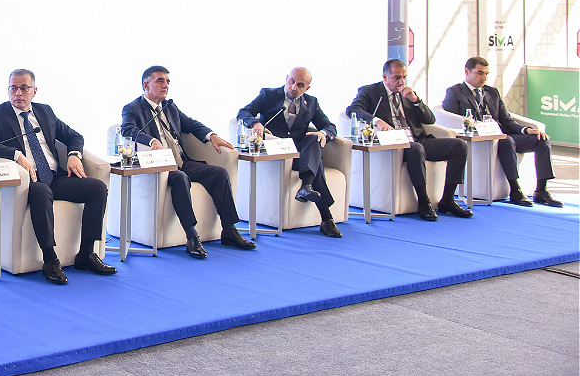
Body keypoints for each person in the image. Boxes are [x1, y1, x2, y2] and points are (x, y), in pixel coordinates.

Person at [0, 69, 117, 284]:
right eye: (13, 88)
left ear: (34, 91)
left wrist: (73, 154)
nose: (18, 93)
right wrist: (16, 155)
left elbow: (74, 136)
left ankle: (86, 254)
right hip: (29, 181)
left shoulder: (45, 112)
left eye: (24, 88)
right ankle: (50, 260)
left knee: (97, 188)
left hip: (54, 176)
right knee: (41, 191)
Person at [121, 66, 256, 258]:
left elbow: (191, 124)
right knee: (180, 178)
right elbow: (127, 129)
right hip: (159, 165)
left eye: (168, 81)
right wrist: (150, 141)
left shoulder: (169, 106)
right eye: (160, 81)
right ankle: (192, 236)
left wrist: (211, 135)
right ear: (146, 85)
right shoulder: (133, 108)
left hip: (180, 160)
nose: (166, 85)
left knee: (219, 173)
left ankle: (229, 229)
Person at [347, 59, 472, 221]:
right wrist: (377, 121)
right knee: (416, 149)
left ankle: (447, 200)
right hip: (395, 142)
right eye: (397, 78)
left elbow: (430, 119)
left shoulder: (407, 93)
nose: (401, 82)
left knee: (459, 146)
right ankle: (424, 201)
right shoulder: (370, 91)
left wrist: (416, 101)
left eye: (404, 77)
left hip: (418, 139)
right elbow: (353, 109)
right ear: (385, 77)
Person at [237, 67, 342, 238]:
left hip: (299, 156)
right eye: (292, 81)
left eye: (300, 85)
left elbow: (330, 126)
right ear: (286, 78)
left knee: (314, 140)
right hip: (275, 154)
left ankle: (307, 187)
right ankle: (324, 215)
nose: (294, 87)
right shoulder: (268, 95)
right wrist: (255, 123)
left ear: (307, 88)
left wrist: (323, 133)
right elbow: (243, 112)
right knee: (316, 164)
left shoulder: (312, 103)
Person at [442, 57, 561, 207]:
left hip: (501, 134)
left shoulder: (492, 92)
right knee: (506, 140)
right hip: (480, 139)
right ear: (467, 71)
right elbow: (450, 120)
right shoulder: (455, 92)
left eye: (486, 74)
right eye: (480, 73)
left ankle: (542, 190)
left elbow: (506, 119)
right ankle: (515, 190)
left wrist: (525, 130)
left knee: (541, 139)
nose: (484, 78)